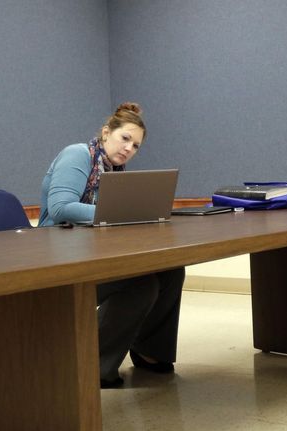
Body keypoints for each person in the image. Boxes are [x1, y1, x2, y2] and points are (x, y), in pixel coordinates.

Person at [38, 102, 185, 388]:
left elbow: (107, 216)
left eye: (136, 146)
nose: (129, 148)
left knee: (170, 272)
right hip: (56, 254)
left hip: (90, 250)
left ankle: (150, 351)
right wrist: (121, 213)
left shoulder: (112, 170)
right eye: (125, 138)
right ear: (106, 133)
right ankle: (93, 365)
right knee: (140, 286)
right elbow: (60, 208)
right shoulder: (78, 154)